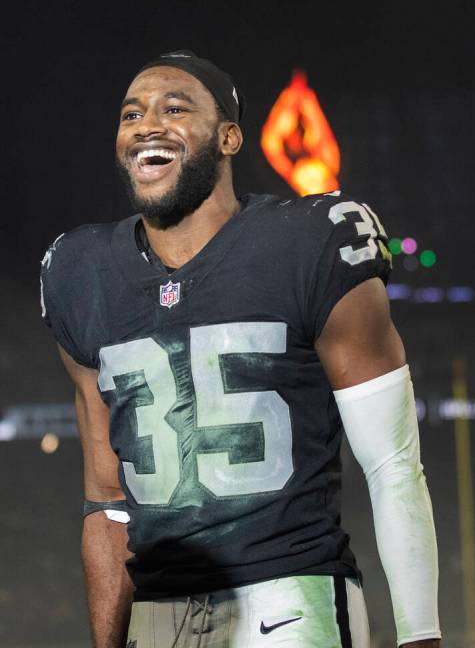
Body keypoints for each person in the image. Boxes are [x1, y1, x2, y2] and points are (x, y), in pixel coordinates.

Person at [40, 50, 441, 648]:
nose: (147, 124)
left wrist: (421, 636)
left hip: (291, 601)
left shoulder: (310, 240)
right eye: (131, 114)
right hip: (156, 612)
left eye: (174, 109)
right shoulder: (79, 271)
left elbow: (392, 466)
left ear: (229, 137)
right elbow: (107, 502)